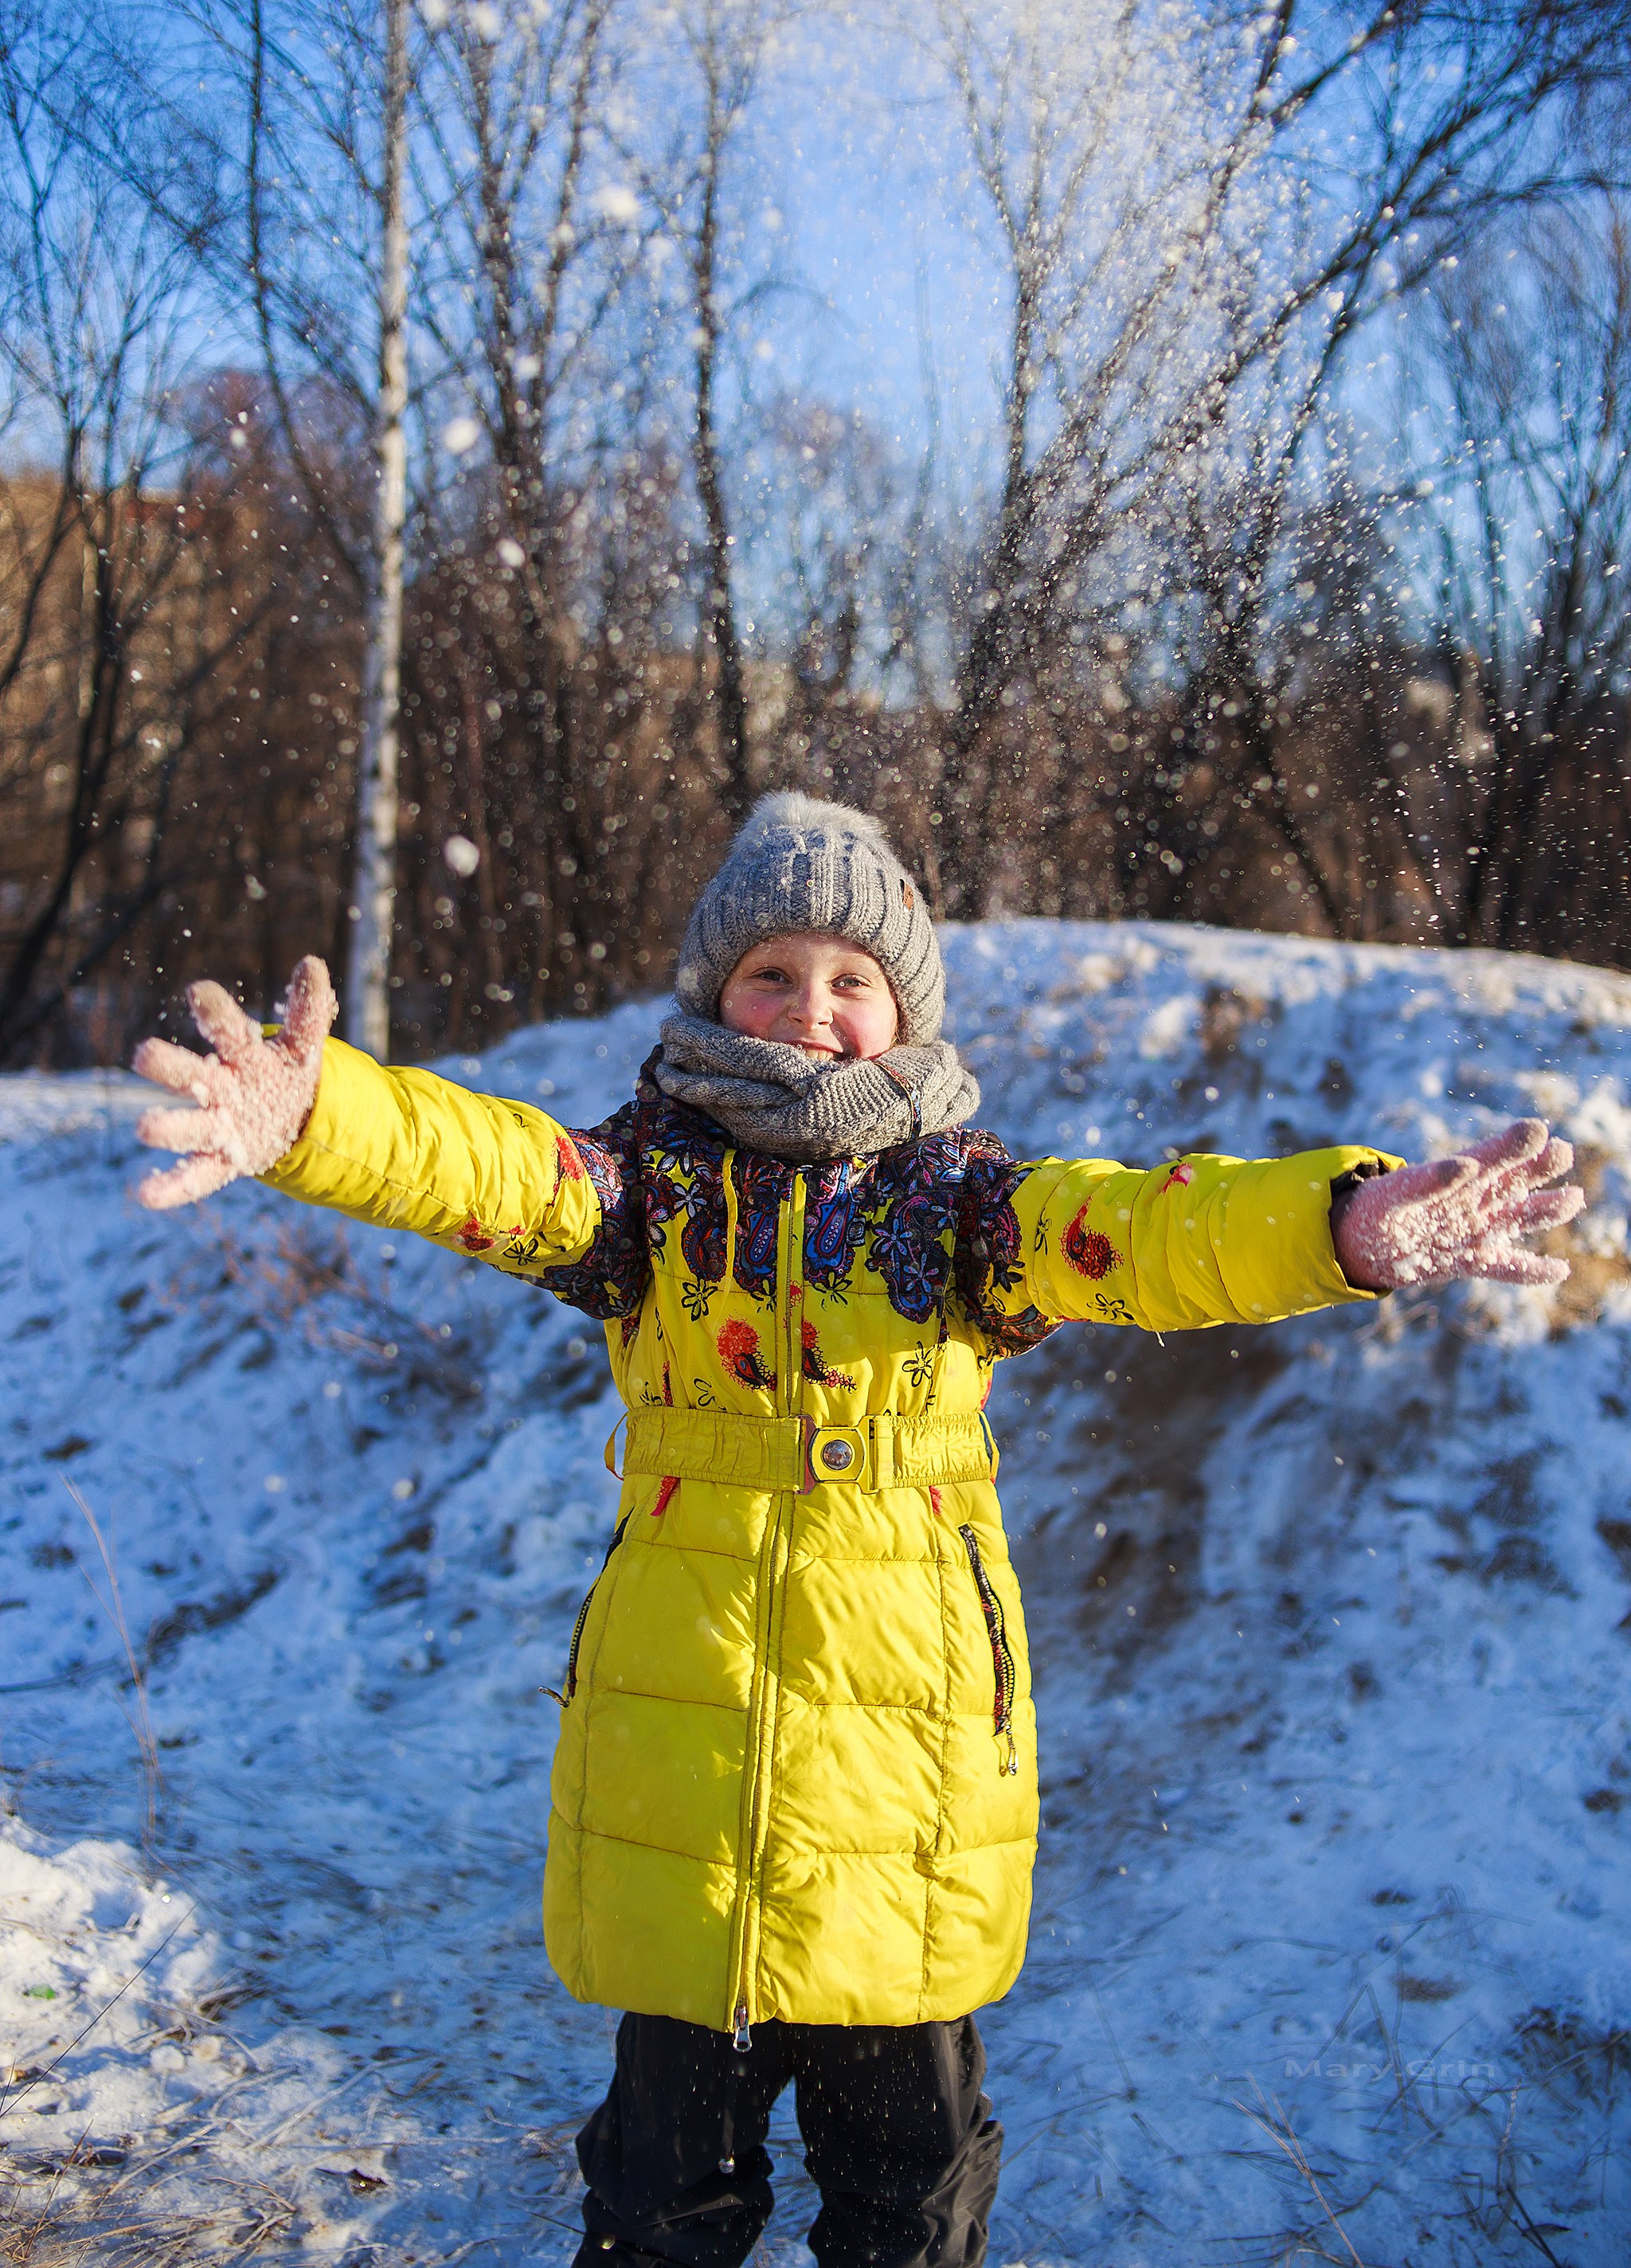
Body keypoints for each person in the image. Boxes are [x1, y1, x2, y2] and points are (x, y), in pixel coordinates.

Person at [131, 793, 1582, 2268]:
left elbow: (1144, 1232)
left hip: (907, 1772)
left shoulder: (959, 1203)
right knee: (658, 2204)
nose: (809, 1012)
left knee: (910, 2199)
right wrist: (323, 1119)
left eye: (850, 980)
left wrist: (1329, 1226)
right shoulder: (650, 1184)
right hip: (688, 1761)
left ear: (902, 1009)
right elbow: (488, 1168)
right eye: (771, 973)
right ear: (714, 991)